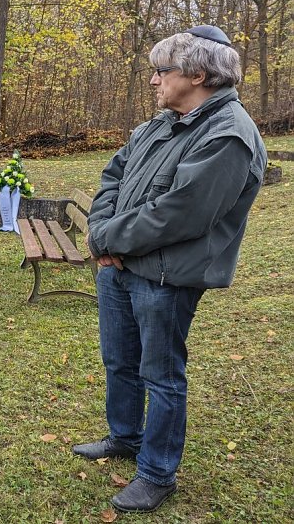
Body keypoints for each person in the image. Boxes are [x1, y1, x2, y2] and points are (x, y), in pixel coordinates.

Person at [73, 26, 267, 512]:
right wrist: (102, 232)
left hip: (165, 277)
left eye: (162, 70)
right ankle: (125, 436)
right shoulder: (160, 123)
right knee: (120, 360)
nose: (154, 80)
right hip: (119, 267)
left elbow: (180, 213)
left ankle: (157, 473)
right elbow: (114, 174)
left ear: (198, 74)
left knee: (161, 375)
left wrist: (106, 239)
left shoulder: (228, 134)